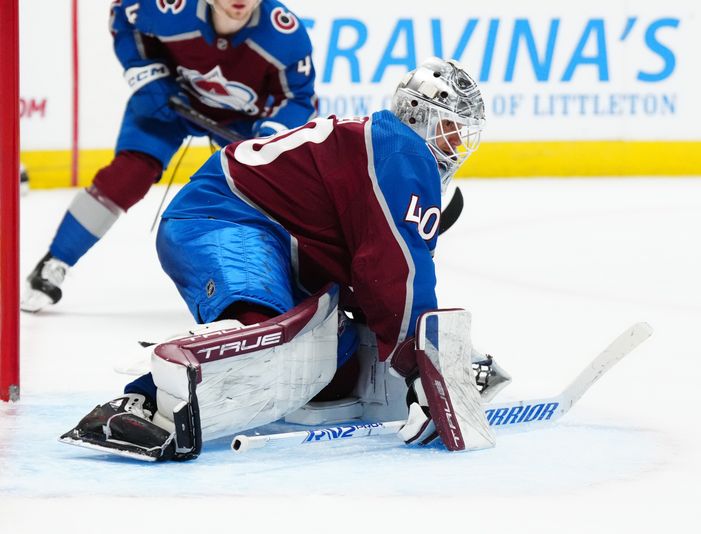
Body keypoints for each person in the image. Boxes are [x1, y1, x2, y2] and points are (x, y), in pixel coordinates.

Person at [59, 58, 509, 462]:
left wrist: (445, 359)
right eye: (450, 127)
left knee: (335, 360)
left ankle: (188, 377)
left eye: (462, 133)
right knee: (267, 329)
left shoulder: (384, 151)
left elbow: (374, 279)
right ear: (418, 115)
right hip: (222, 215)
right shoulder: (402, 149)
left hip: (270, 233)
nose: (456, 143)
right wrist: (422, 368)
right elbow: (396, 268)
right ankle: (139, 403)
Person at [22, 0, 317, 312]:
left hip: (242, 121)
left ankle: (293, 281)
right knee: (127, 176)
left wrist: (269, 137)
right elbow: (123, 16)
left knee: (273, 194)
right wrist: (147, 74)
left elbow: (298, 97)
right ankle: (54, 262)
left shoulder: (286, 34)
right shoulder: (168, 6)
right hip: (168, 100)